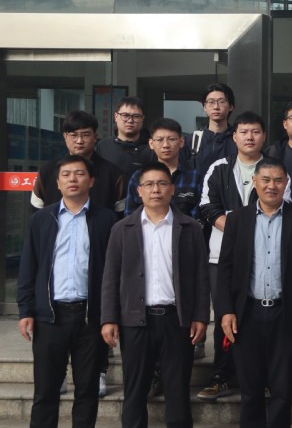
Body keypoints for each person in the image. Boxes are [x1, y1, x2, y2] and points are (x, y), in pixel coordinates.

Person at [100, 162, 210, 428]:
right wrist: (109, 319)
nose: (156, 190)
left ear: (172, 189)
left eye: (162, 184)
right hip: (136, 321)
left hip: (176, 320)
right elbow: (110, 277)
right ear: (139, 191)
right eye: (149, 184)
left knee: (178, 391)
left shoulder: (190, 228)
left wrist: (200, 316)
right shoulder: (122, 229)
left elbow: (201, 277)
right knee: (135, 390)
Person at [216, 157, 292, 428]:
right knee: (250, 388)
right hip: (246, 312)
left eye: (278, 180)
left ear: (286, 183)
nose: (272, 186)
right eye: (266, 180)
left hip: (285, 312)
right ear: (255, 182)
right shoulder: (238, 219)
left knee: (282, 387)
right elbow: (225, 268)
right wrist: (225, 310)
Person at [17, 155, 117, 428]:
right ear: (58, 183)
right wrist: (26, 310)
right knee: (45, 391)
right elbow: (28, 267)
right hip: (50, 317)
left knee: (87, 391)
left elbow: (113, 272)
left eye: (80, 173)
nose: (73, 179)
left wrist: (110, 315)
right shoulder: (42, 219)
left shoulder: (107, 219)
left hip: (90, 318)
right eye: (66, 174)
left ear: (91, 181)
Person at [198, 111, 288, 401]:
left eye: (256, 132)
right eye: (244, 132)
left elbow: (282, 205)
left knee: (259, 320)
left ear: (264, 136)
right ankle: (221, 375)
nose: (250, 137)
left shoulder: (275, 170)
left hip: (266, 256)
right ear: (234, 136)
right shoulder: (219, 168)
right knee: (226, 314)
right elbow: (207, 207)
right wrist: (238, 229)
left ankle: (263, 378)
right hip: (222, 257)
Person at [31, 110, 126, 213]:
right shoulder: (48, 171)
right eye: (74, 135)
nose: (79, 141)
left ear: (95, 137)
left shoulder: (113, 174)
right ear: (65, 137)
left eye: (85, 135)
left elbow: (122, 213)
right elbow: (36, 208)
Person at [124, 118, 202, 220]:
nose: (165, 145)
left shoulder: (194, 177)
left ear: (181, 142)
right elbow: (130, 215)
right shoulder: (139, 176)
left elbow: (197, 217)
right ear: (151, 143)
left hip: (184, 230)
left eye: (172, 139)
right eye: (159, 140)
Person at [184, 83, 238, 181]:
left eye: (221, 102)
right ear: (205, 107)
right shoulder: (191, 140)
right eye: (211, 102)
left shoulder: (238, 140)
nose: (216, 107)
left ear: (231, 106)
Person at [95, 96, 155, 178]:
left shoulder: (152, 147)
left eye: (136, 116)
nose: (130, 120)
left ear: (142, 119)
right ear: (116, 117)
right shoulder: (103, 146)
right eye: (125, 115)